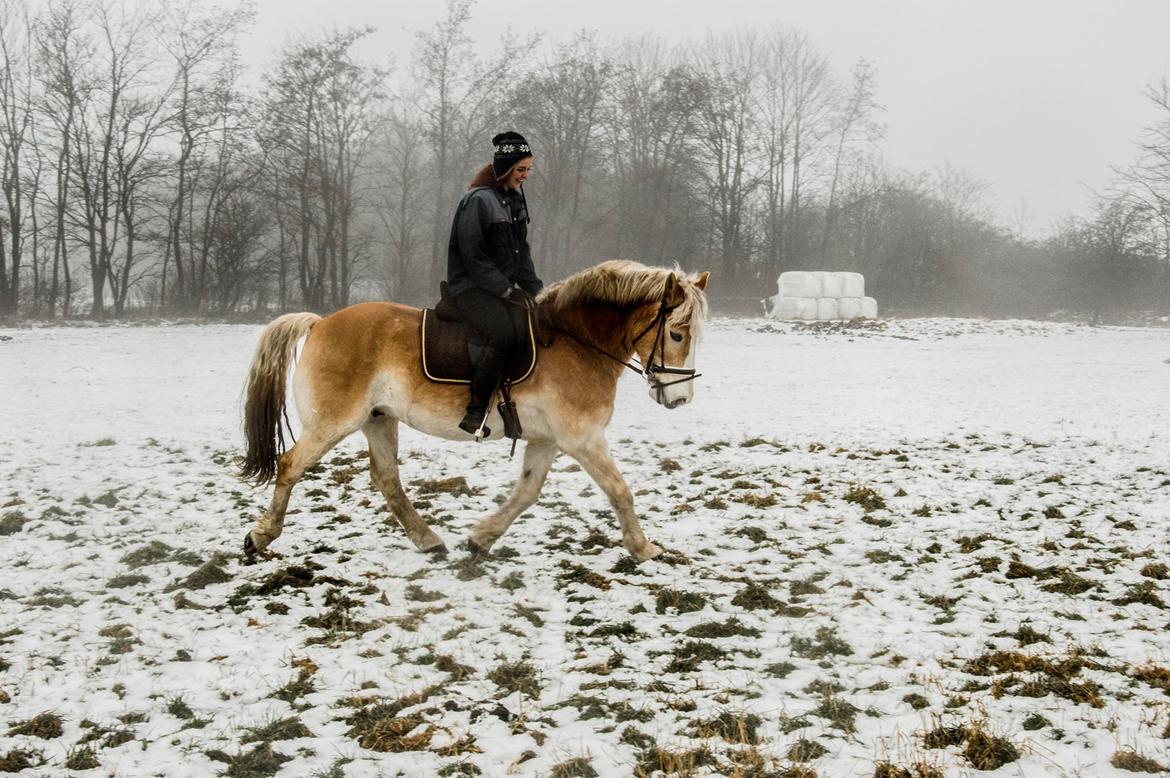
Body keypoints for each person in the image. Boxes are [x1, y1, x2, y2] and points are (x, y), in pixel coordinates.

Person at [446, 131, 543, 437]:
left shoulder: (512, 202)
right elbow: (473, 257)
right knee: (504, 334)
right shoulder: (477, 201)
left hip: (501, 289)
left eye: (528, 170)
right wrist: (506, 290)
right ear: (504, 168)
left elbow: (521, 253)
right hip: (471, 288)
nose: (525, 176)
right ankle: (476, 408)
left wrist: (536, 290)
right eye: (520, 170)